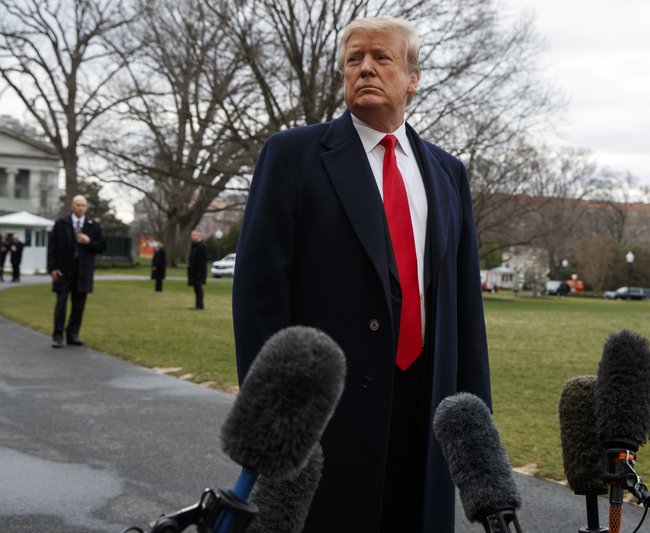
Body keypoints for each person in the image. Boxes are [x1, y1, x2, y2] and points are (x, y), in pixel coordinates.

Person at [232, 16, 491, 533]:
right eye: (354, 59)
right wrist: (275, 420)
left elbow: (465, 307)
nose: (365, 68)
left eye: (381, 58)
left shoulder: (447, 173)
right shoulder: (293, 156)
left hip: (426, 419)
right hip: (328, 419)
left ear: (412, 78)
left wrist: (474, 428)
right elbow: (260, 292)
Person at [47, 194, 106, 348]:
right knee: (61, 304)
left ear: (86, 207)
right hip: (63, 271)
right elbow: (51, 247)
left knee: (79, 306)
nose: (80, 208)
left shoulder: (93, 225)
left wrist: (89, 242)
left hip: (83, 272)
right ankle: (58, 336)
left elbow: (101, 247)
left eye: (83, 205)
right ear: (72, 206)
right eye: (77, 205)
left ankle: (72, 334)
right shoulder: (61, 224)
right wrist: (52, 268)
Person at [187, 230, 207, 309]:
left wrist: (199, 273)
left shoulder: (202, 246)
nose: (192, 237)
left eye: (194, 235)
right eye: (192, 235)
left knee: (199, 289)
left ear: (199, 236)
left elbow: (202, 261)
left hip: (198, 273)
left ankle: (200, 305)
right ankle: (197, 305)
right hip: (193, 271)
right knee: (196, 289)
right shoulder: (194, 246)